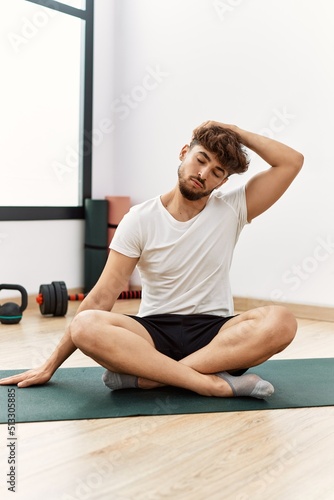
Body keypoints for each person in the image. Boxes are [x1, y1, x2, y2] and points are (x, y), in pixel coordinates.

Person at [0, 121, 304, 399]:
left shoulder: (234, 208)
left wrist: (233, 130)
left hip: (217, 337)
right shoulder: (139, 220)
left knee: (281, 321)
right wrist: (49, 365)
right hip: (152, 335)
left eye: (217, 172)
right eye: (200, 160)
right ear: (184, 153)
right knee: (84, 325)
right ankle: (207, 383)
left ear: (222, 182)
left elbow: (292, 162)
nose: (203, 174)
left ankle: (152, 378)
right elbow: (103, 296)